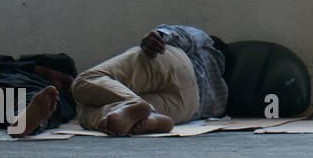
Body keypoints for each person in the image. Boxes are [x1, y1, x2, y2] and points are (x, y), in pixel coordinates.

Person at [71, 25, 229, 136]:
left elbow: (187, 35)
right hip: (188, 106)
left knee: (85, 83)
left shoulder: (210, 46)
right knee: (87, 113)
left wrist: (160, 35)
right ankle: (152, 119)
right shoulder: (221, 102)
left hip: (176, 64)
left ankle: (137, 106)